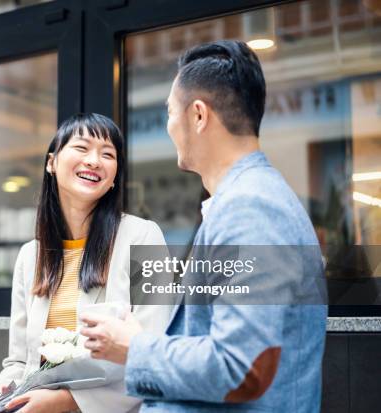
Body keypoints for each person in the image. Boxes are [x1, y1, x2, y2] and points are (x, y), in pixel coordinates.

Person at [80, 40, 328, 412]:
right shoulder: (246, 200)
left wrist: (133, 346)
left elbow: (241, 368)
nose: (168, 126)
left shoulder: (251, 208)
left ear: (198, 116)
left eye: (169, 112)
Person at [0, 113, 172, 413]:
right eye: (82, 147)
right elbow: (21, 362)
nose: (94, 161)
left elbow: (153, 353)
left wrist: (67, 402)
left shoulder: (144, 237)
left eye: (108, 154)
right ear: (52, 162)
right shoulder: (30, 257)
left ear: (115, 176)